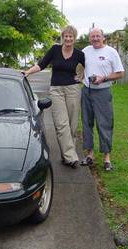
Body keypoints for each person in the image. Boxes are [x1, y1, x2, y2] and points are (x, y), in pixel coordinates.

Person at [23, 25, 85, 169]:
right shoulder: (55, 50)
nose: (68, 38)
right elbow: (41, 65)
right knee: (61, 124)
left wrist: (81, 77)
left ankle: (66, 155)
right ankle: (71, 157)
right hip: (56, 90)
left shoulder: (79, 54)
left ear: (74, 38)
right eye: (66, 36)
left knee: (72, 125)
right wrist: (27, 72)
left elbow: (87, 68)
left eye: (71, 36)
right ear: (62, 37)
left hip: (73, 90)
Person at [80, 27, 125, 171]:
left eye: (98, 36)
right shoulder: (85, 51)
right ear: (89, 38)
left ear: (103, 37)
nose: (95, 39)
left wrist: (103, 78)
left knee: (104, 124)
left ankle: (107, 158)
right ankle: (90, 155)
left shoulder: (111, 52)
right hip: (87, 91)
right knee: (87, 123)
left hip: (103, 92)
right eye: (92, 36)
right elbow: (78, 67)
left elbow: (120, 73)